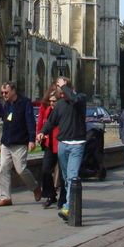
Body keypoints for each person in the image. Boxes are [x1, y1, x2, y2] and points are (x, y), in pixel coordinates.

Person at [38, 76, 87, 222]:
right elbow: (51, 122)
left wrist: (65, 87)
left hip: (76, 144)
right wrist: (42, 132)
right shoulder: (59, 105)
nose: (59, 93)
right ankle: (72, 203)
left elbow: (75, 99)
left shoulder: (80, 99)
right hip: (63, 145)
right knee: (66, 179)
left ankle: (67, 207)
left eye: (61, 90)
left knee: (72, 176)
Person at [0, 81, 41, 207]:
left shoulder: (25, 103)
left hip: (20, 142)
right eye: (2, 92)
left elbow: (30, 121)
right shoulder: (6, 104)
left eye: (6, 92)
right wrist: (1, 143)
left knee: (21, 169)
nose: (4, 95)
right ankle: (5, 197)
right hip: (6, 142)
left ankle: (35, 187)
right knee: (3, 169)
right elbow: (6, 124)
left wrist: (32, 140)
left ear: (13, 91)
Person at [36, 86, 65, 209]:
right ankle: (51, 194)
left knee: (63, 175)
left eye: (54, 101)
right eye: (50, 101)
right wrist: (40, 134)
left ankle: (63, 200)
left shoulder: (63, 111)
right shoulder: (48, 110)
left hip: (61, 145)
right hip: (49, 145)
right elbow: (44, 123)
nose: (52, 103)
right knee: (45, 170)